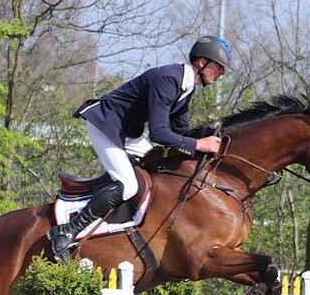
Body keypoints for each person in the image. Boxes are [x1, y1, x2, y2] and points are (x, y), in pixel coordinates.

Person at [47, 35, 233, 263]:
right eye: (220, 67)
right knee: (127, 185)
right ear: (202, 63)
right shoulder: (168, 79)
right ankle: (66, 231)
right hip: (106, 124)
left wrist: (209, 140)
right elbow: (158, 133)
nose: (222, 73)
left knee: (158, 171)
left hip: (128, 132)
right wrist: (197, 144)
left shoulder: (185, 87)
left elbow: (181, 130)